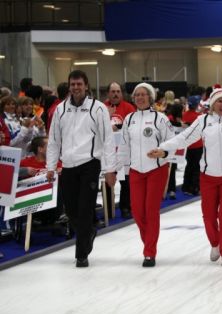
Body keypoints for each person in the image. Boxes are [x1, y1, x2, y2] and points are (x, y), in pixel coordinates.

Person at [148, 53, 222, 266]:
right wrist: (163, 149)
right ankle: (215, 242)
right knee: (208, 215)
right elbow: (183, 138)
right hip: (208, 176)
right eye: (219, 101)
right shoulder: (203, 121)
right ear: (212, 104)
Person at [46, 70, 118, 268]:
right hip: (67, 166)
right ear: (69, 86)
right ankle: (90, 232)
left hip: (89, 164)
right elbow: (53, 141)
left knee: (85, 209)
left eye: (79, 84)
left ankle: (81, 254)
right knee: (71, 211)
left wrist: (111, 168)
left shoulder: (98, 108)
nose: (76, 88)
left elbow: (108, 139)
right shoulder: (60, 109)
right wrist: (50, 166)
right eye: (73, 84)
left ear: (86, 86)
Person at [118, 83, 174, 267]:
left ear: (150, 98)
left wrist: (164, 153)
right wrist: (123, 172)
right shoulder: (129, 119)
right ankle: (149, 242)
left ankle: (149, 252)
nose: (140, 98)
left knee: (151, 211)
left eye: (143, 95)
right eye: (137, 95)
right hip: (135, 171)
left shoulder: (161, 118)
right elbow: (124, 147)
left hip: (156, 170)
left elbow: (173, 144)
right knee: (137, 212)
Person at [104, 82, 135, 218]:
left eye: (118, 91)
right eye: (113, 91)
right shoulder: (102, 108)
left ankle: (125, 207)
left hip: (123, 153)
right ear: (108, 94)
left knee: (126, 182)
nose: (115, 94)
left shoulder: (128, 107)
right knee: (107, 183)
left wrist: (120, 127)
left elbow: (133, 126)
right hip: (107, 154)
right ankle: (109, 210)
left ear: (122, 94)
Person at [181, 95, 203, 195]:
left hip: (188, 146)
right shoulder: (198, 117)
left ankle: (186, 186)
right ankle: (194, 187)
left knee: (189, 165)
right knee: (196, 167)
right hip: (197, 145)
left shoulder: (184, 115)